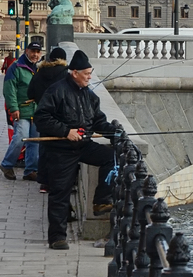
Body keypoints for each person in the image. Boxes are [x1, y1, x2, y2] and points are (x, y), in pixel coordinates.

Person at [32, 50, 115, 250]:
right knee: (60, 192)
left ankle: (101, 200)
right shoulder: (57, 90)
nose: (89, 77)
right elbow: (41, 117)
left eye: (90, 73)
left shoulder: (89, 95)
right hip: (60, 149)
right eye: (86, 73)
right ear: (74, 72)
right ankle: (57, 237)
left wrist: (114, 133)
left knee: (111, 157)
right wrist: (66, 131)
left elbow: (98, 121)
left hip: (83, 145)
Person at [27, 47, 70, 194]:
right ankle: (58, 182)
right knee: (60, 150)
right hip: (60, 117)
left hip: (43, 115)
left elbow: (30, 92)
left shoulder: (40, 72)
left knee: (44, 148)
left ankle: (44, 183)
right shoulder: (65, 74)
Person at [2, 42, 43, 181]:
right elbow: (9, 89)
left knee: (35, 141)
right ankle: (7, 164)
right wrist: (13, 108)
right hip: (22, 108)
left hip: (36, 110)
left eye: (38, 52)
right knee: (21, 136)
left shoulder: (39, 69)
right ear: (27, 51)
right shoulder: (16, 67)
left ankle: (31, 170)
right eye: (33, 51)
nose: (35, 55)